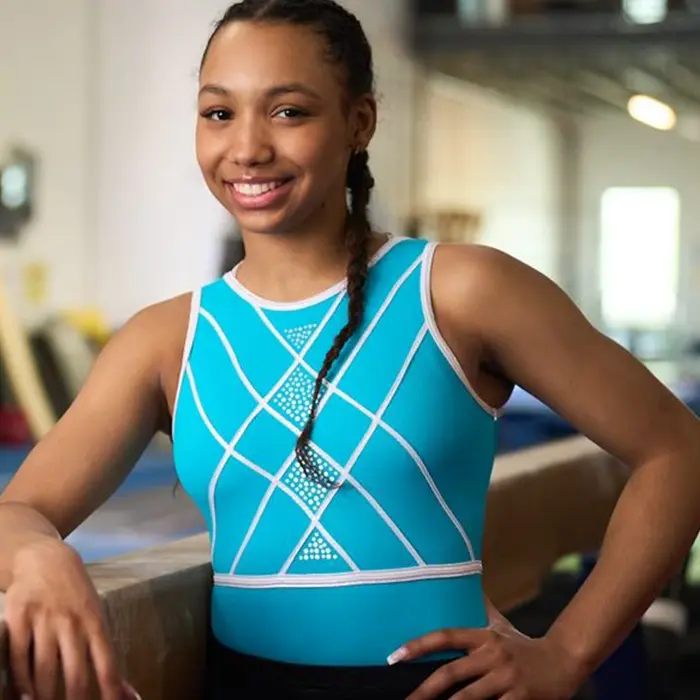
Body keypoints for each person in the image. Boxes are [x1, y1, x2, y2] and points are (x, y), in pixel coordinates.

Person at [1, 1, 700, 698]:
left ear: (358, 122)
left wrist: (570, 652)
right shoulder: (165, 341)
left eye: (288, 112)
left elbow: (678, 450)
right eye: (219, 113)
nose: (246, 147)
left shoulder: (459, 291)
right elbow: (16, 511)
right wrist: (38, 557)